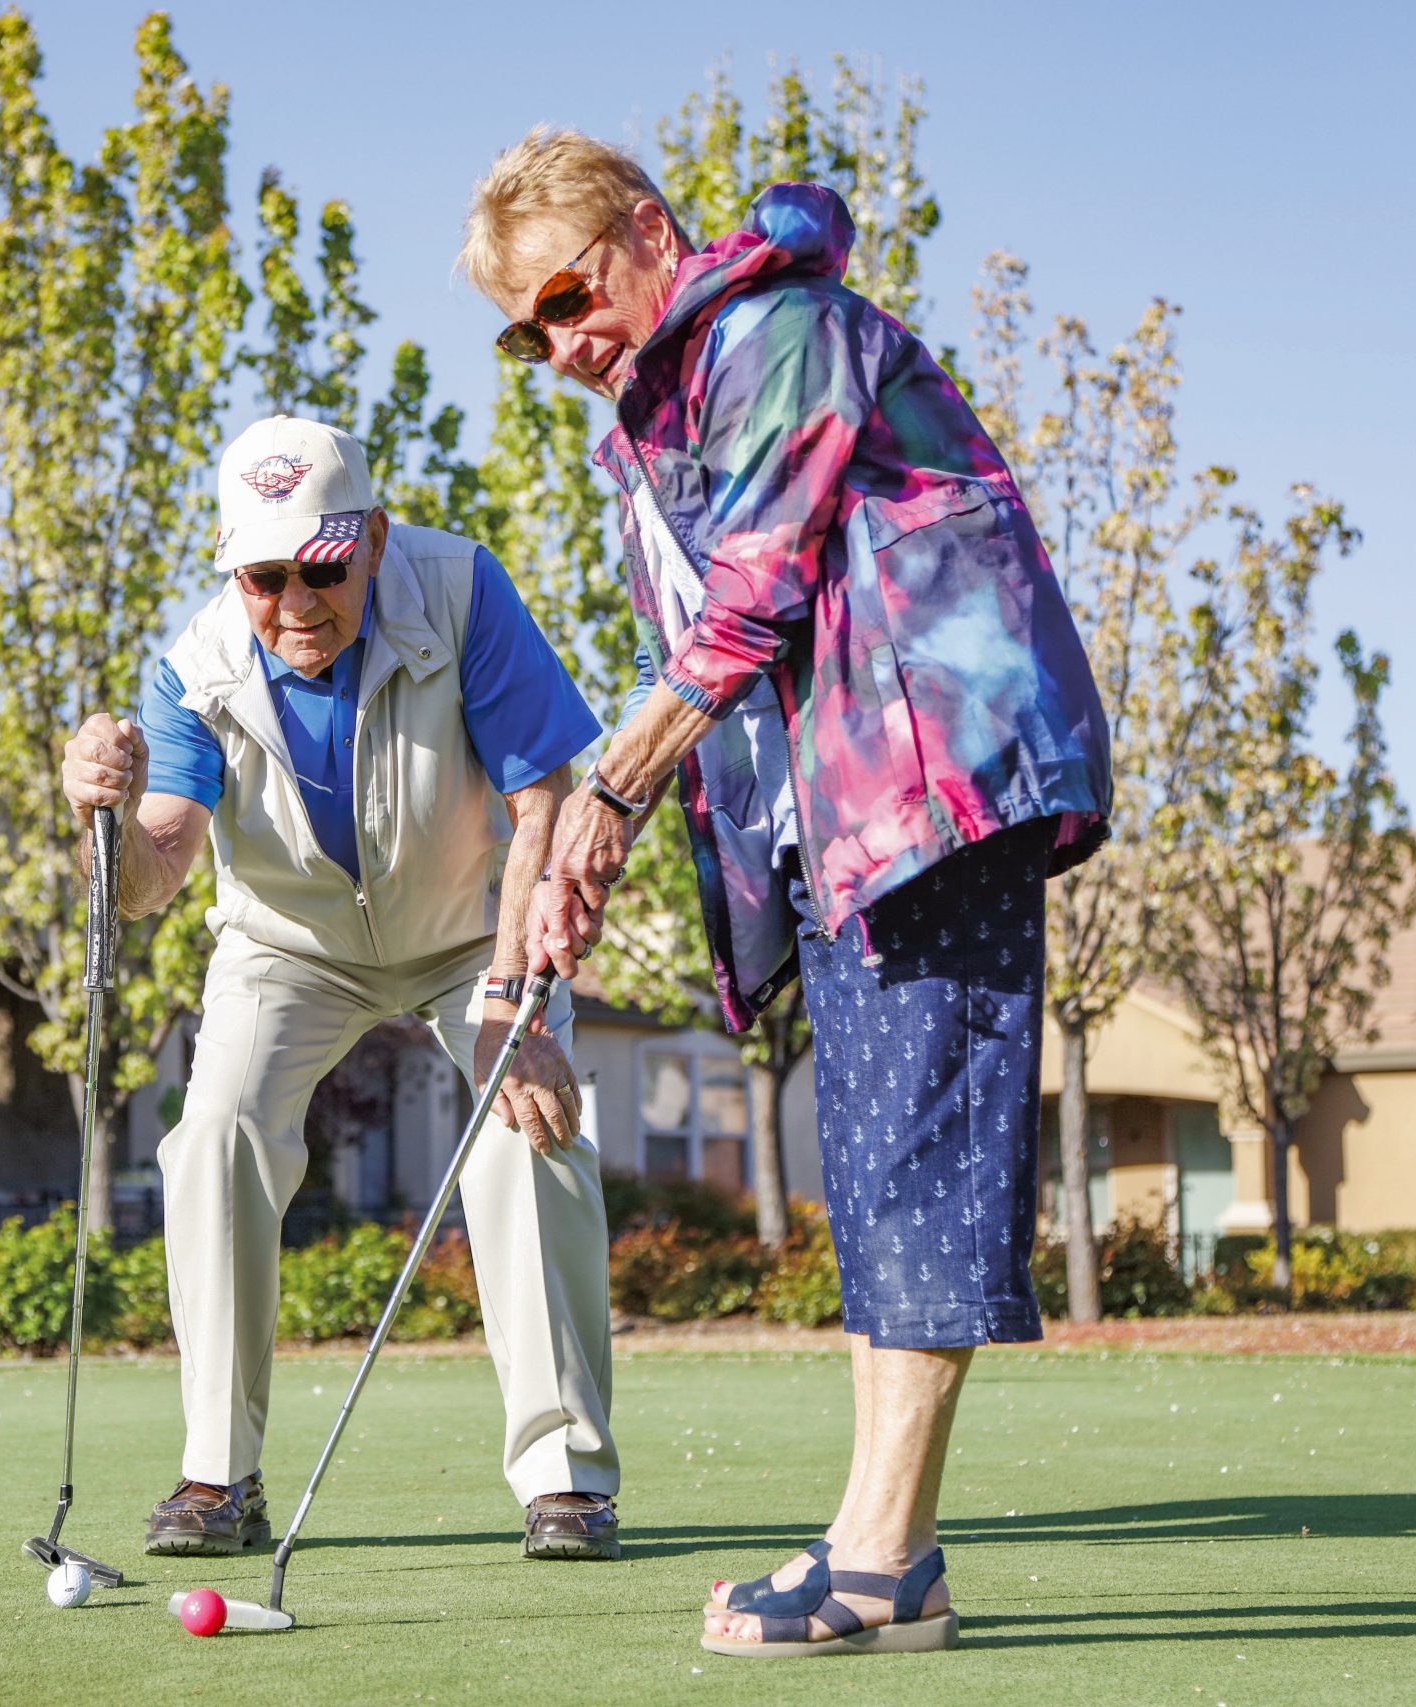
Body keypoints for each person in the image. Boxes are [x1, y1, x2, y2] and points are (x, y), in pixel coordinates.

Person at [460, 130, 1112, 1656]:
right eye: (527, 329)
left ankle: (882, 1558)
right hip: (839, 817)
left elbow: (757, 596)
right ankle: (892, 1548)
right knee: (881, 1162)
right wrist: (598, 848)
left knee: (921, 1156)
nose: (561, 344)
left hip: (934, 784)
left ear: (646, 232)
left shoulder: (779, 330)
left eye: (568, 296)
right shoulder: (646, 421)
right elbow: (710, 660)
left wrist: (604, 803)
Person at [59, 413, 625, 1562]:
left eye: (321, 568)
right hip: (290, 943)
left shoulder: (461, 589)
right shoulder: (193, 667)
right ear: (232, 564)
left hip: (472, 929)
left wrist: (516, 1002)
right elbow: (152, 879)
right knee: (213, 1129)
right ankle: (219, 1477)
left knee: (528, 1126)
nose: (296, 604)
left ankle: (566, 1480)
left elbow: (543, 803)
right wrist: (101, 820)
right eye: (264, 577)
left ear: (369, 536)